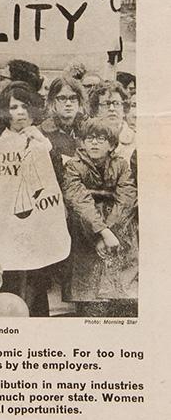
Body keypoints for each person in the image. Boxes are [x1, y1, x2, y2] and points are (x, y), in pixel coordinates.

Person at [0, 82, 64, 317]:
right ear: (5, 111)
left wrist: (46, 148)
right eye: (13, 107)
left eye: (24, 106)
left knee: (35, 284)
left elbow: (58, 182)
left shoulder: (45, 142)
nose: (19, 112)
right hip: (2, 228)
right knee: (7, 284)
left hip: (36, 227)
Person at [62, 118, 138, 316]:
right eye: (90, 138)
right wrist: (102, 232)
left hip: (120, 230)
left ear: (112, 144)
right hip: (86, 233)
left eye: (101, 139)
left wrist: (111, 230)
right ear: (83, 142)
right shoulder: (73, 166)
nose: (94, 143)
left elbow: (126, 198)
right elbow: (79, 201)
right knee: (90, 299)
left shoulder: (121, 165)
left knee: (123, 295)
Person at [41, 74, 87, 160]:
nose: (68, 103)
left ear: (79, 101)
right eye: (62, 98)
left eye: (73, 98)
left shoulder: (88, 129)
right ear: (53, 102)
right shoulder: (42, 133)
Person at [89, 82, 135, 165]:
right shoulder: (88, 141)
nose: (112, 109)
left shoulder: (136, 141)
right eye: (106, 104)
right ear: (96, 111)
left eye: (117, 103)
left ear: (124, 109)